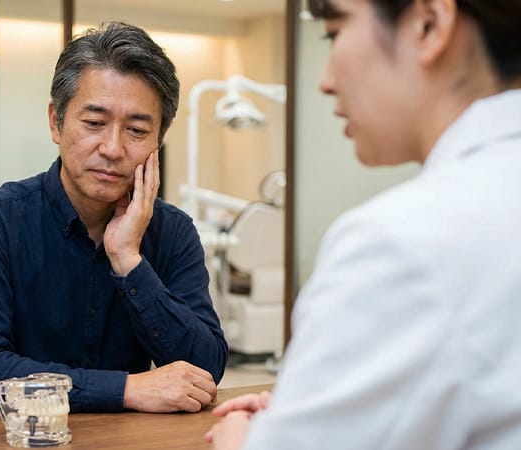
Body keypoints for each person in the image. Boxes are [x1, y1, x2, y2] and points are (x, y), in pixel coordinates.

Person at [206, 0, 521, 448]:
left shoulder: (401, 243)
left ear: (429, 23)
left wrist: (241, 439)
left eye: (334, 33)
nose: (325, 80)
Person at [0, 21, 228, 414]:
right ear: (56, 122)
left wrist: (129, 260)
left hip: (128, 441)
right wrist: (126, 389)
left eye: (136, 130)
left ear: (158, 141)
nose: (112, 148)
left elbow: (205, 370)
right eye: (94, 123)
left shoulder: (172, 231)